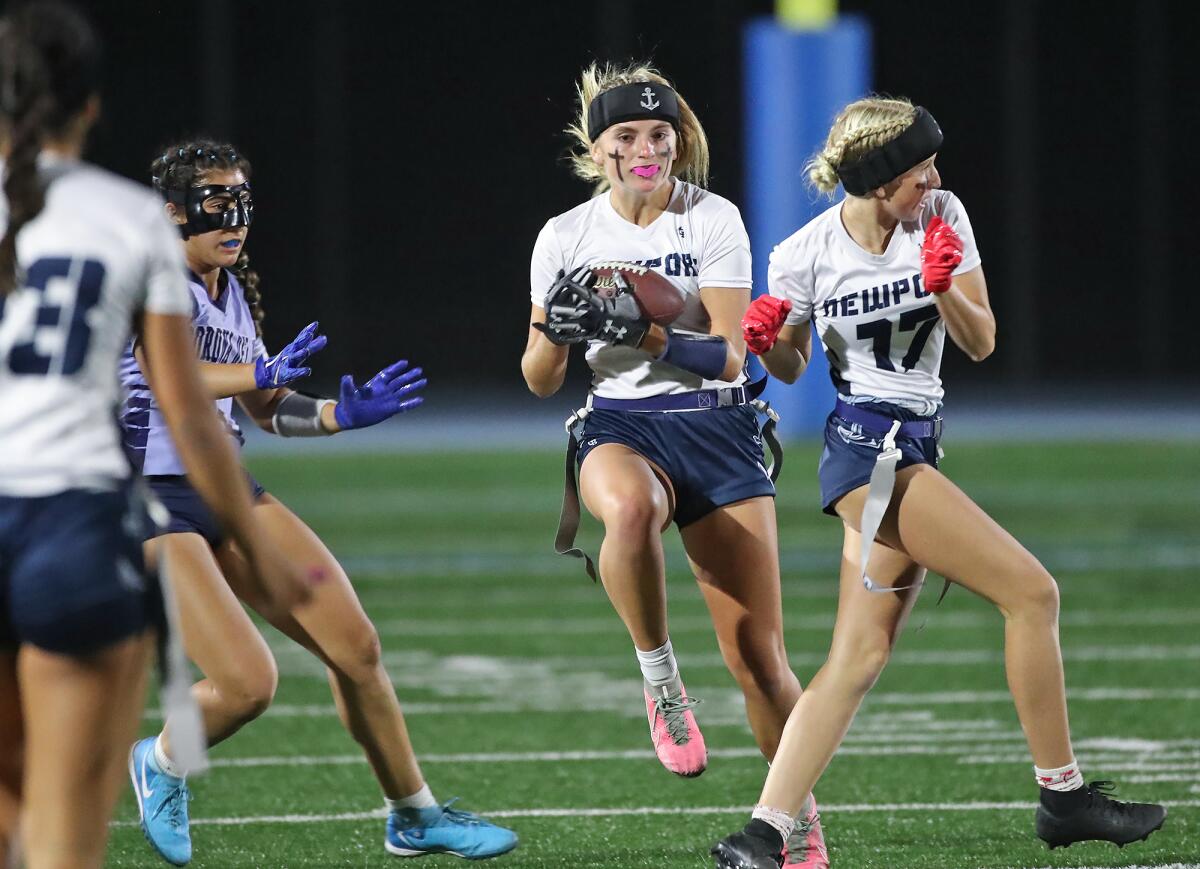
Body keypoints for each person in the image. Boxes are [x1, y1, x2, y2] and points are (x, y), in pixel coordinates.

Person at [711, 96, 1167, 868]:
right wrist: (764, 343)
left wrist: (946, 283)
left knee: (856, 657)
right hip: (867, 450)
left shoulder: (941, 214)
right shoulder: (805, 252)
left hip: (913, 443)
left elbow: (982, 340)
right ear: (881, 180)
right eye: (920, 168)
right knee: (1033, 592)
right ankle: (1063, 796)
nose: (936, 176)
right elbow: (789, 365)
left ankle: (763, 830)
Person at [119, 137, 518, 866]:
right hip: (148, 495)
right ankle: (163, 759)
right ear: (171, 210)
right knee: (246, 684)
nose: (233, 214)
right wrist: (255, 369)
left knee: (356, 646)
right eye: (216, 200)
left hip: (225, 487)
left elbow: (268, 406)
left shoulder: (229, 288)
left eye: (241, 198)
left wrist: (337, 413)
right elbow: (175, 380)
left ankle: (414, 814)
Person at [0, 5, 311, 868]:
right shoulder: (128, 217)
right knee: (62, 819)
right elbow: (184, 406)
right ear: (89, 107)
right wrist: (254, 537)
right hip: (72, 517)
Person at [520, 62, 827, 868]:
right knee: (626, 512)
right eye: (628, 135)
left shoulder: (713, 218)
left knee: (761, 661)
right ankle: (660, 679)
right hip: (622, 425)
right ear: (599, 150)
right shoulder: (566, 235)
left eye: (661, 133)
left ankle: (794, 821)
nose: (649, 147)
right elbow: (540, 376)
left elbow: (730, 359)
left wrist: (649, 331)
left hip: (717, 430)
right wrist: (559, 325)